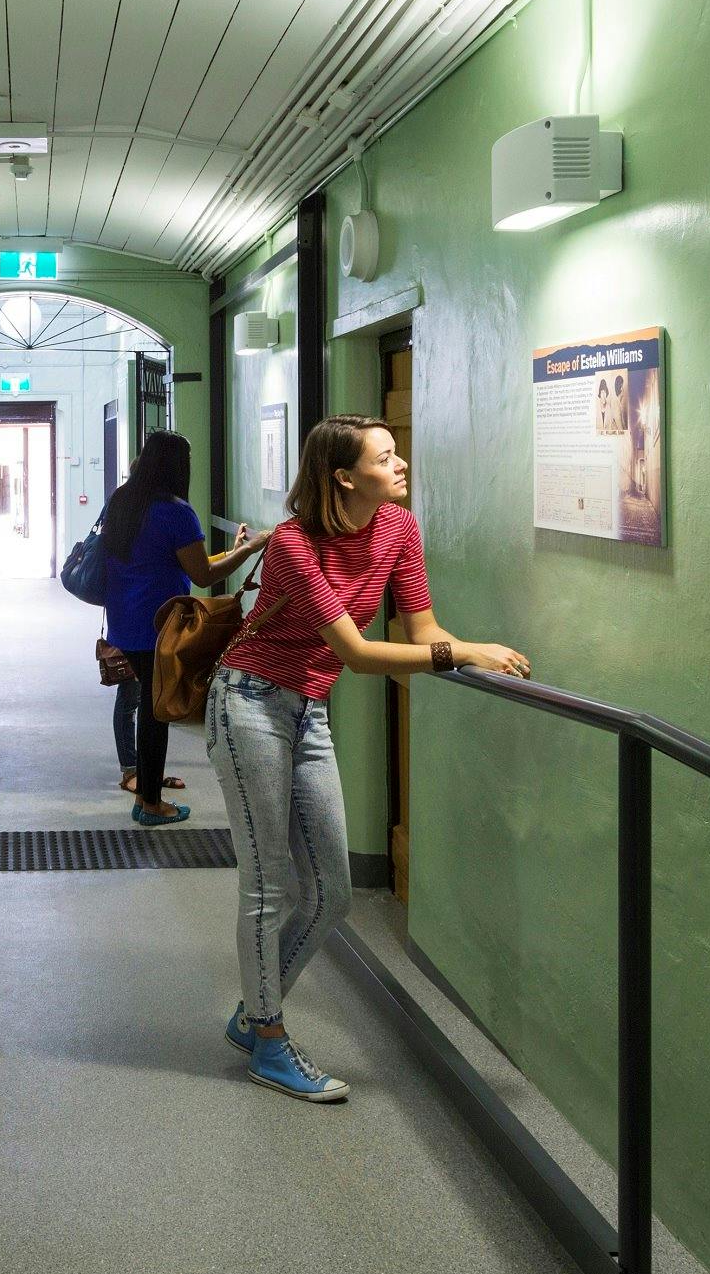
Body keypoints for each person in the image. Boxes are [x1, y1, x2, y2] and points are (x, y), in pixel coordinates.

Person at [208, 415, 529, 1103]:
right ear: (344, 476)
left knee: (332, 890)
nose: (403, 462)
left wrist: (467, 647)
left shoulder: (399, 529)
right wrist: (463, 654)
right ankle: (268, 1037)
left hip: (309, 710)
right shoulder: (296, 544)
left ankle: (253, 1010)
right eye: (387, 456)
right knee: (271, 884)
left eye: (398, 452)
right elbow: (357, 653)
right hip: (250, 704)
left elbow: (423, 630)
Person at [98, 431, 266, 824]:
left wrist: (231, 549)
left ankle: (144, 794)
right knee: (157, 714)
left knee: (147, 708)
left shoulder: (122, 501)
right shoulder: (175, 511)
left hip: (125, 619)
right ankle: (151, 805)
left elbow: (174, 559)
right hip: (161, 625)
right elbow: (203, 575)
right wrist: (248, 550)